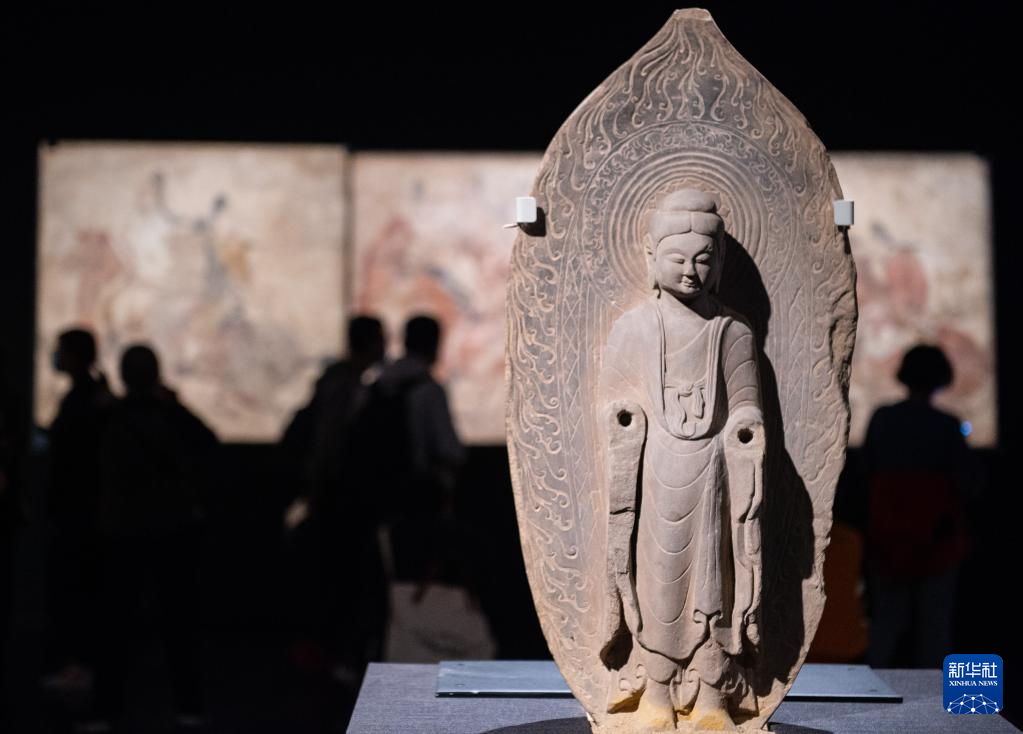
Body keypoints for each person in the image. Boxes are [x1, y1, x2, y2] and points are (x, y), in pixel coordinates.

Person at [598, 190, 764, 730]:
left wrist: (744, 428)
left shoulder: (734, 333)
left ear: (719, 262)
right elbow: (614, 402)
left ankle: (713, 698)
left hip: (716, 477)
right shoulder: (634, 329)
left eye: (703, 259)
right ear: (652, 258)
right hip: (655, 473)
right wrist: (625, 418)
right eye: (678, 258)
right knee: (659, 584)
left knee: (716, 587)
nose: (691, 271)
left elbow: (747, 405)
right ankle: (657, 694)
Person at [94, 344, 218, 730]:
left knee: (116, 624)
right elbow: (207, 443)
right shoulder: (170, 415)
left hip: (125, 531)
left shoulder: (112, 416)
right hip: (171, 529)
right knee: (178, 622)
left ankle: (107, 707)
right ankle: (189, 704)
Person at [862, 344, 973, 668]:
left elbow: (863, 473)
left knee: (885, 624)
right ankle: (938, 699)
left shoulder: (883, 419)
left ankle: (870, 693)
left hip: (888, 536)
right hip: (936, 540)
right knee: (934, 628)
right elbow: (969, 482)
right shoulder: (947, 426)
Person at [43, 328, 113, 691]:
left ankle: (78, 667)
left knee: (75, 591)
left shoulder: (84, 399)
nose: (55, 357)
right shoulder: (90, 396)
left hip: (78, 513)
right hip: (81, 511)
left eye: (60, 350)